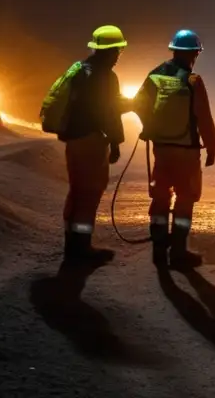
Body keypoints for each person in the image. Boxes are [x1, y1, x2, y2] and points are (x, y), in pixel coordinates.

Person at [133, 29, 215, 269]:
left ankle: (158, 250)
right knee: (185, 198)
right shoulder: (193, 81)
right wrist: (211, 148)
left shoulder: (155, 76)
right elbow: (205, 118)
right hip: (187, 150)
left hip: (161, 148)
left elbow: (138, 104)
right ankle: (178, 252)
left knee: (160, 194)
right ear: (194, 54)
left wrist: (149, 126)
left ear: (173, 50)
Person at [55, 25, 128, 264]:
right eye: (117, 51)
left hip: (74, 141)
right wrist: (116, 142)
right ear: (110, 51)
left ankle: (70, 245)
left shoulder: (78, 71)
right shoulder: (106, 76)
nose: (118, 56)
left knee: (76, 191)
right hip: (92, 141)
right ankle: (82, 249)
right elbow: (109, 112)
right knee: (90, 193)